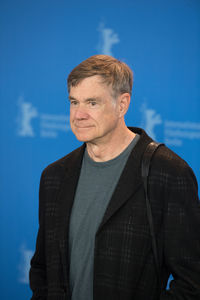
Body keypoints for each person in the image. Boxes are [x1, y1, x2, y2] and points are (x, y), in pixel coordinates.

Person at [29, 55, 200, 300]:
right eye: (74, 102)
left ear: (122, 104)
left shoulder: (168, 173)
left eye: (92, 103)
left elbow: (192, 282)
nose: (79, 114)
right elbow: (43, 269)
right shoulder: (54, 176)